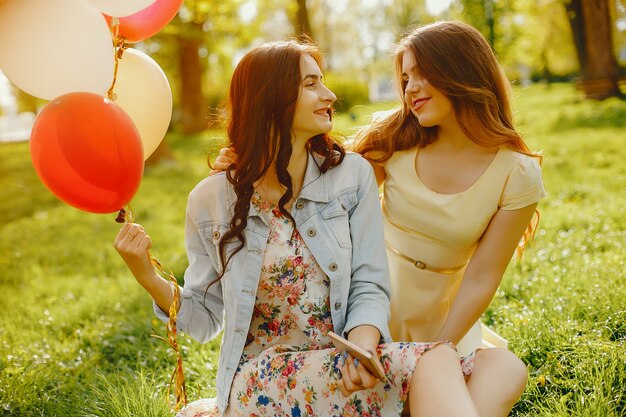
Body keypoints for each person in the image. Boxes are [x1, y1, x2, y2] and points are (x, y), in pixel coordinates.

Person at [114, 39, 482, 417]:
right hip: (263, 379)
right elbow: (204, 320)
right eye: (311, 84)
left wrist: (363, 347)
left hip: (341, 360)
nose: (330, 94)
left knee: (498, 368)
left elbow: (368, 281)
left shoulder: (351, 175)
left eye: (322, 81)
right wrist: (146, 275)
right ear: (270, 99)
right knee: (437, 361)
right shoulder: (211, 200)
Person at [212, 22, 546, 417]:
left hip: (443, 318)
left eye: (423, 73)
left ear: (462, 70)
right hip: (369, 311)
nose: (410, 88)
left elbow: (481, 277)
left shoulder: (517, 172)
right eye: (405, 78)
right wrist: (249, 166)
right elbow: (312, 182)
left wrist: (440, 346)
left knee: (507, 369)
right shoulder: (396, 139)